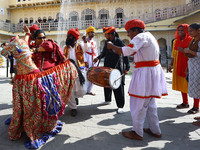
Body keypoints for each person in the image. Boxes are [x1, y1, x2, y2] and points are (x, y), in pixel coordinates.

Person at [107, 19, 168, 140]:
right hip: (151, 71)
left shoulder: (140, 37)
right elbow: (136, 53)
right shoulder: (149, 36)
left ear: (135, 30)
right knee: (150, 104)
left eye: (129, 32)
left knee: (138, 103)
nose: (128, 35)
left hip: (145, 73)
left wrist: (111, 45)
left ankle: (137, 132)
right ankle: (155, 130)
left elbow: (129, 49)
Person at [93, 26, 130, 114]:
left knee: (117, 86)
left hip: (116, 66)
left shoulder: (119, 42)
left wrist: (127, 67)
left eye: (106, 34)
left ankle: (120, 106)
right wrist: (98, 58)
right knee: (106, 82)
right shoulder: (107, 42)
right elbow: (104, 53)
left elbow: (125, 54)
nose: (105, 36)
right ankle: (107, 99)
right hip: (107, 65)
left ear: (111, 34)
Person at [168, 24, 196, 113]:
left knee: (194, 85)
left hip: (190, 64)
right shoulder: (176, 41)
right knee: (181, 83)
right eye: (179, 30)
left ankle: (196, 106)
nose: (180, 32)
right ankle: (185, 102)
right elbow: (173, 54)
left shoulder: (192, 40)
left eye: (182, 30)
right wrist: (171, 64)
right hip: (178, 64)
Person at [177, 23, 200, 125]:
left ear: (198, 30)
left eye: (191, 31)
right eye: (189, 31)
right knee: (197, 89)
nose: (189, 33)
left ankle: (196, 107)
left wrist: (189, 51)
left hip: (198, 68)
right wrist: (188, 68)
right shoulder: (193, 40)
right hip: (193, 67)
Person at [63, 28, 87, 117]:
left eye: (70, 36)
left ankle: (75, 98)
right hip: (68, 70)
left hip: (79, 69)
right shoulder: (65, 48)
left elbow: (86, 48)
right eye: (68, 36)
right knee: (70, 88)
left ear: (74, 38)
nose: (68, 38)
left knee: (79, 87)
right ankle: (73, 108)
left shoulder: (80, 45)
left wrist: (85, 41)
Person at [83, 26, 98, 96]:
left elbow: (96, 51)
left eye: (93, 32)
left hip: (93, 60)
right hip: (87, 59)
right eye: (91, 32)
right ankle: (85, 90)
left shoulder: (94, 42)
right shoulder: (84, 41)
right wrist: (85, 61)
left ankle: (89, 90)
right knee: (86, 75)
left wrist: (97, 59)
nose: (93, 33)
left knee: (93, 75)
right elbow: (83, 52)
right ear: (88, 33)